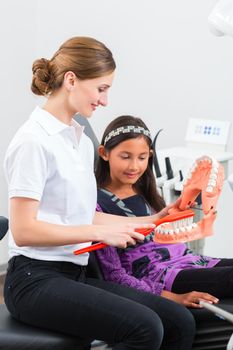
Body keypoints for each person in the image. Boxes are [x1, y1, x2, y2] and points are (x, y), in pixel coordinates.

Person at [3, 36, 196, 350]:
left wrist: (151, 220)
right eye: (101, 88)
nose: (105, 101)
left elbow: (78, 215)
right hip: (33, 280)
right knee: (145, 328)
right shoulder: (33, 141)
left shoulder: (78, 140)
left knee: (178, 321)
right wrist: (98, 233)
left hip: (73, 274)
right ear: (71, 80)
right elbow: (24, 231)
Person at [95, 114, 233, 309]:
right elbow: (114, 275)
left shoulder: (145, 191)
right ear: (104, 153)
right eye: (125, 157)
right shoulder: (97, 204)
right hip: (161, 275)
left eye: (142, 157)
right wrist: (167, 296)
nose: (134, 166)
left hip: (189, 261)